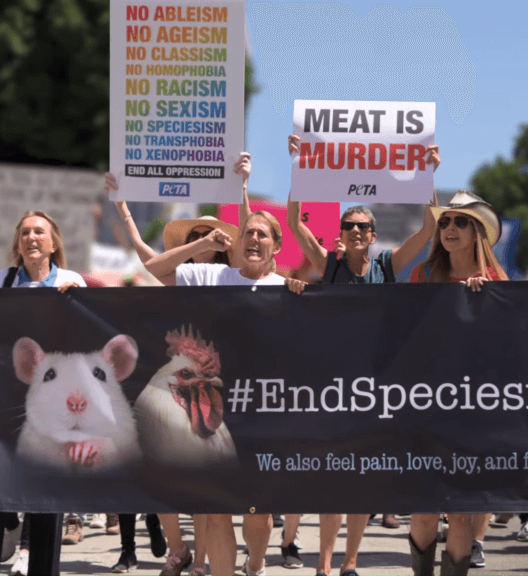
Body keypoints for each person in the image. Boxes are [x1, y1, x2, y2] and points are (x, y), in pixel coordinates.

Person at [144, 154, 305, 576]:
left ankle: (255, 563)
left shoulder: (285, 289)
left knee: (256, 513)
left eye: (262, 234)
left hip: (264, 413)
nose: (253, 238)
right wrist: (201, 245)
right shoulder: (213, 277)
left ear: (276, 246)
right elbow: (154, 270)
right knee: (214, 511)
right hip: (212, 415)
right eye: (247, 232)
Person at [287, 134, 440, 576]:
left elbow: (429, 231)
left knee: (363, 482)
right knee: (333, 482)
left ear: (373, 236)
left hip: (373, 389)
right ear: (341, 235)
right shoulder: (329, 266)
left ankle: (351, 562)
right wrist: (298, 165)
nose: (355, 231)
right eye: (348, 226)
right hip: (333, 389)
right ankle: (325, 564)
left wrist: (430, 173)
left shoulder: (386, 267)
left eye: (362, 227)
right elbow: (296, 222)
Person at [109, 155, 246, 576]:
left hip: (217, 386)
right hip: (172, 384)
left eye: (212, 232)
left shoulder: (234, 275)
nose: (207, 237)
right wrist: (124, 212)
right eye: (198, 232)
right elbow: (150, 261)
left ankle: (201, 562)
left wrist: (243, 184)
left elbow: (257, 237)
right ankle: (179, 549)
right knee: (161, 472)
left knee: (207, 484)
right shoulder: (181, 273)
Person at [0, 210, 86, 576]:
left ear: (53, 243)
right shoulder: (1, 281)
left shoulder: (71, 281)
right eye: (25, 233)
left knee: (47, 496)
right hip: (6, 403)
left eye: (39, 232)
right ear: (17, 244)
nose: (32, 238)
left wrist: (80, 304)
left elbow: (86, 341)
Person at [406, 190, 507, 576]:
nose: (450, 227)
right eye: (445, 221)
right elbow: (408, 335)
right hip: (426, 406)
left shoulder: (498, 282)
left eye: (460, 221)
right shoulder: (423, 275)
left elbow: (510, 349)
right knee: (425, 507)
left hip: (475, 412)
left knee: (461, 511)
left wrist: (488, 304)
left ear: (478, 231)